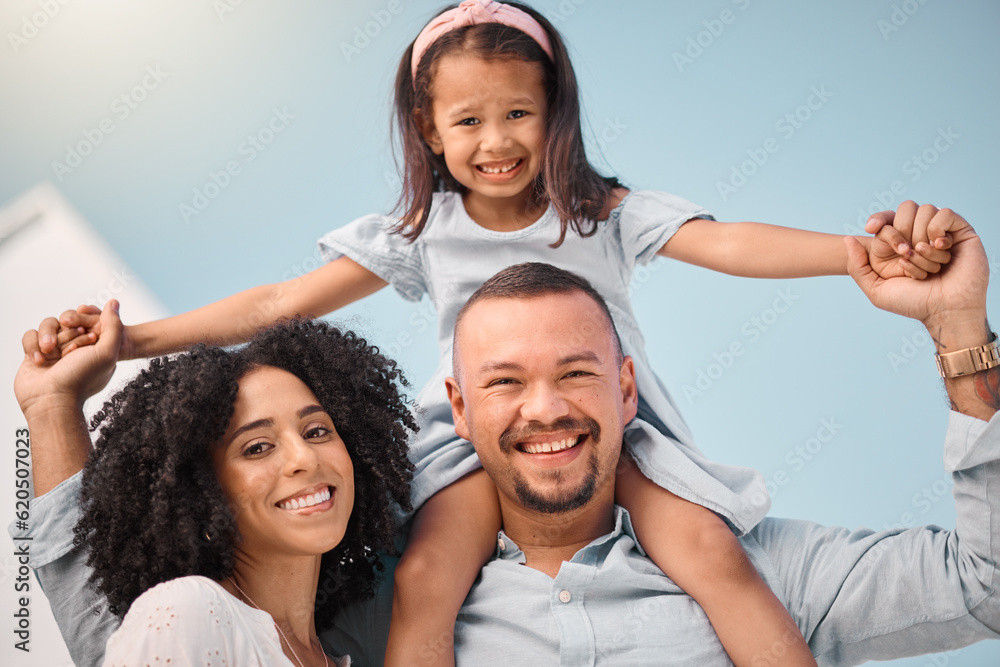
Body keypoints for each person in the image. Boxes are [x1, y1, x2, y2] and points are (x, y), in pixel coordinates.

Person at [23, 2, 951, 664]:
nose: (496, 140)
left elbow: (730, 240)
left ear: (556, 114)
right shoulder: (424, 233)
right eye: (467, 120)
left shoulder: (602, 212)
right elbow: (276, 305)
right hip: (478, 445)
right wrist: (134, 339)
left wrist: (855, 254)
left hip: (614, 434)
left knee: (714, 555)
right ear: (427, 130)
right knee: (427, 572)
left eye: (518, 112)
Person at [11, 203, 997, 666]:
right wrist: (52, 412)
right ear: (458, 404)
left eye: (574, 373)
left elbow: (982, 587)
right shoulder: (379, 595)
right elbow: (140, 643)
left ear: (623, 386)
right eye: (504, 382)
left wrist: (958, 330)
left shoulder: (757, 570)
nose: (543, 409)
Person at [13, 317, 414, 666]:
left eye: (317, 431)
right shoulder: (187, 613)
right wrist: (51, 406)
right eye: (257, 447)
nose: (305, 458)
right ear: (199, 496)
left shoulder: (341, 651)